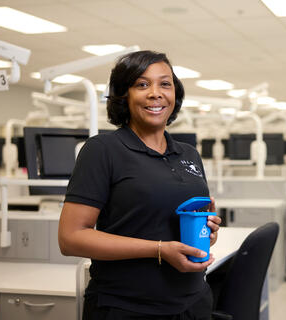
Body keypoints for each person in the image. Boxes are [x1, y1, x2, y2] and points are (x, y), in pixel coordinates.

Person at [58, 50, 221, 320]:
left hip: (193, 303)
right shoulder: (103, 150)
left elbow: (171, 218)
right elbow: (71, 238)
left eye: (164, 84)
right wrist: (159, 249)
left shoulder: (189, 154)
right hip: (129, 307)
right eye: (142, 84)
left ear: (175, 94)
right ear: (124, 95)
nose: (155, 93)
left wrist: (207, 231)